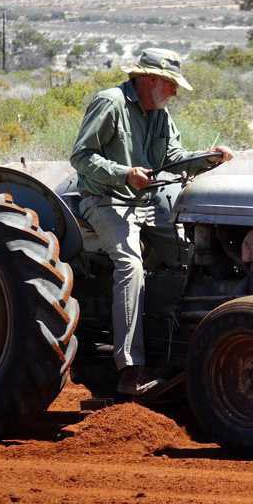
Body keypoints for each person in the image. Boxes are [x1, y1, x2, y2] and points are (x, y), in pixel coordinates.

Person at [70, 48, 233, 396]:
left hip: (145, 201)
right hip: (104, 200)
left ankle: (176, 349)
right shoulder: (110, 103)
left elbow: (173, 160)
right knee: (130, 264)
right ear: (150, 79)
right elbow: (81, 157)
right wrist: (124, 174)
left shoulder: (160, 115)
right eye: (171, 85)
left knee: (188, 253)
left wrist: (208, 158)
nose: (175, 92)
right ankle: (130, 368)